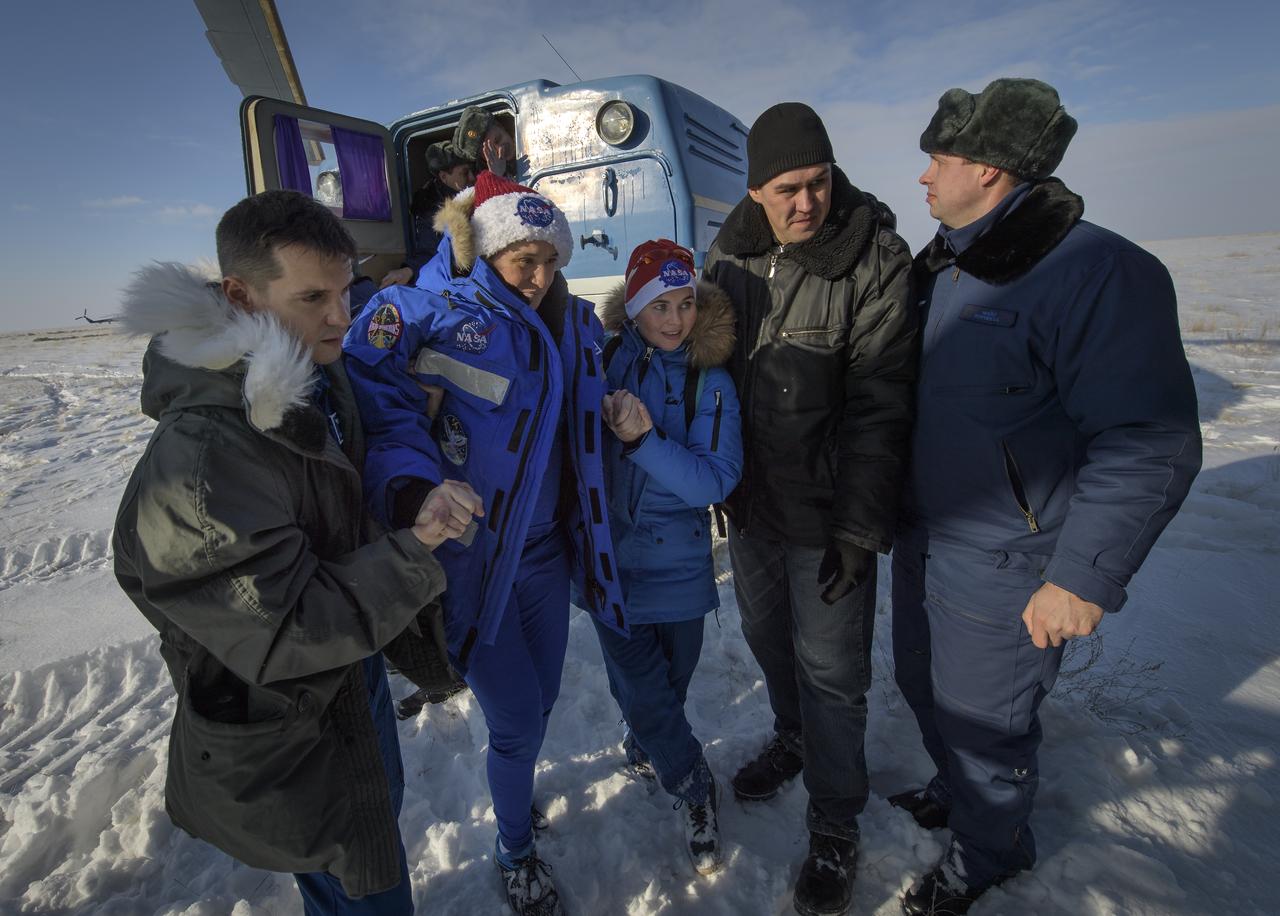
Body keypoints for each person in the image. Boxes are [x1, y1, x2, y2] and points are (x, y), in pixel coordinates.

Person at [111, 189, 481, 914]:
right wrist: (417, 548)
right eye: (314, 296)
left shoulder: (307, 372)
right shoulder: (203, 459)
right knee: (357, 877)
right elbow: (286, 628)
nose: (341, 316)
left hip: (347, 684)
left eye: (346, 291)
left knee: (359, 857)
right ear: (241, 297)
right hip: (294, 716)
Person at [892, 78, 1202, 914]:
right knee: (923, 689)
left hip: (1009, 560)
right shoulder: (946, 264)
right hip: (927, 536)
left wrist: (1081, 577)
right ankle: (960, 800)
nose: (923, 175)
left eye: (940, 158)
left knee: (988, 726)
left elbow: (1151, 439)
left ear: (990, 168)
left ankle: (990, 854)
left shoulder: (1097, 271)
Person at [344, 171, 627, 916]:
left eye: (548, 260)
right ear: (488, 249)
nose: (537, 277)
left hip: (549, 556)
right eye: (520, 260)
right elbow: (384, 408)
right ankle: (514, 849)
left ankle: (516, 792)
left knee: (542, 703)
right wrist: (412, 489)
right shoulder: (437, 313)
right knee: (516, 720)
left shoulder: (571, 322)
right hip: (478, 561)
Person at [703, 101, 918, 916]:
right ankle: (792, 736)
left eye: (819, 182)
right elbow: (704, 369)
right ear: (756, 190)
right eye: (788, 188)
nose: (807, 203)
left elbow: (881, 404)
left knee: (834, 675)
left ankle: (835, 824)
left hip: (828, 516)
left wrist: (861, 527)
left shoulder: (873, 259)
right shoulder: (729, 252)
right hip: (752, 507)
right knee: (767, 639)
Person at [590, 239, 742, 876]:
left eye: (685, 304)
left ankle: (649, 741)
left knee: (666, 692)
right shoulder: (603, 364)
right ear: (634, 308)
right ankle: (696, 788)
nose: (676, 320)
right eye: (660, 305)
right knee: (648, 695)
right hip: (613, 569)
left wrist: (645, 440)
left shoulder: (713, 382)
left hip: (680, 569)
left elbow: (715, 481)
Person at [378, 141, 476, 290]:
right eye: (464, 173)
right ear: (444, 177)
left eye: (471, 171)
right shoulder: (430, 207)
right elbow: (431, 250)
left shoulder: (475, 188)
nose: (472, 177)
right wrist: (409, 270)